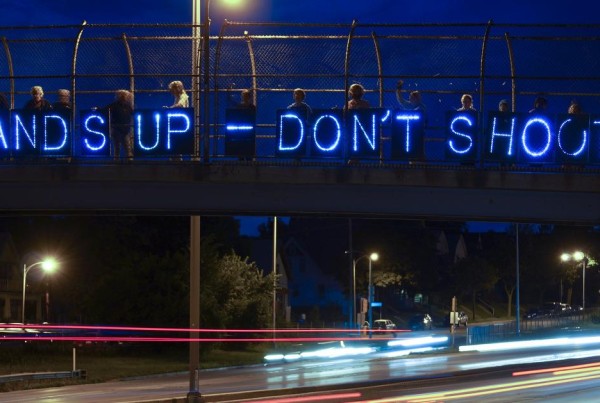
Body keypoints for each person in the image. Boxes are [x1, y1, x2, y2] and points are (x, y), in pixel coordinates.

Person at [104, 89, 134, 161]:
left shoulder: (127, 106)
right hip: (117, 128)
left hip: (123, 128)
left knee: (123, 146)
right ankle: (124, 160)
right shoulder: (115, 105)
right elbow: (105, 110)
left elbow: (132, 114)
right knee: (121, 146)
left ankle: (123, 159)